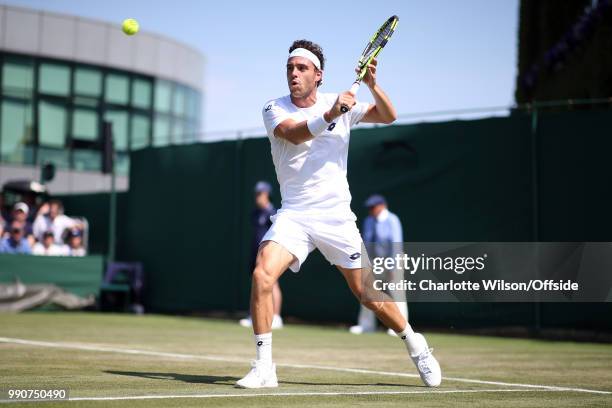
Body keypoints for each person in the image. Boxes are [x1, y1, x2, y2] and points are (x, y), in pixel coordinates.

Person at [235, 40, 441, 389]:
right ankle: (264, 367)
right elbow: (292, 134)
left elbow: (389, 116)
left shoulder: (339, 101)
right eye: (290, 68)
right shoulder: (274, 108)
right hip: (295, 215)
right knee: (262, 275)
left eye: (302, 68)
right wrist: (331, 114)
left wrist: (373, 85)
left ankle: (415, 344)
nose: (294, 74)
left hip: (336, 218)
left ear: (318, 75)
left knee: (368, 295)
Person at [350, 194, 409, 336]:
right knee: (368, 292)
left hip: (392, 260)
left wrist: (392, 266)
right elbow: (366, 243)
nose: (371, 210)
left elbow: (395, 244)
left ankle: (400, 327)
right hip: (373, 262)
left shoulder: (392, 220)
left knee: (396, 294)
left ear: (382, 206)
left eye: (373, 207)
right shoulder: (369, 221)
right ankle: (366, 325)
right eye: (369, 208)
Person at [239, 181, 284, 330]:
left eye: (261, 194)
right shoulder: (255, 214)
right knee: (257, 283)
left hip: (269, 254)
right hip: (255, 254)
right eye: (256, 194)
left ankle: (276, 317)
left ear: (267, 194)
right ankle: (254, 317)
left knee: (273, 283)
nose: (258, 197)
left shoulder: (273, 214)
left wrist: (267, 252)